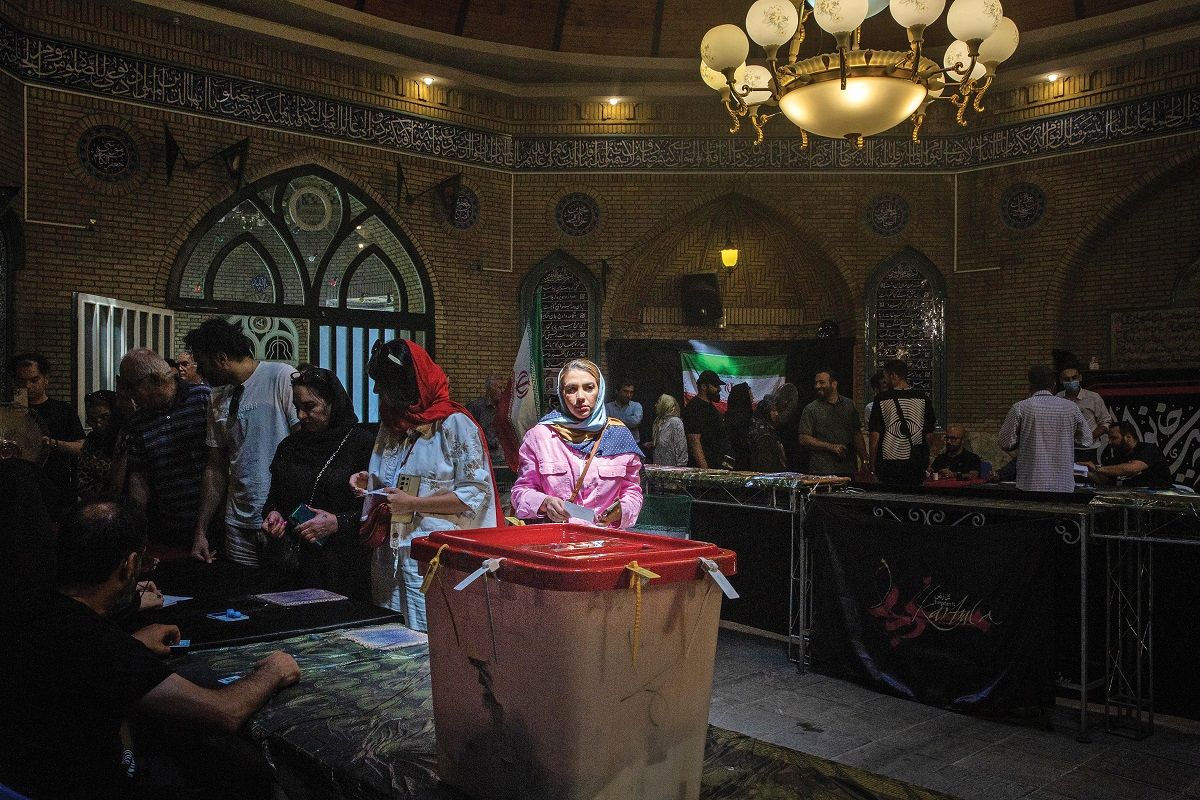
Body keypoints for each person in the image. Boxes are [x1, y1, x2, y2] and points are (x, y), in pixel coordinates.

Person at [0, 501, 300, 800]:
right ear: (129, 565)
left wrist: (134, 644)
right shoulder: (100, 644)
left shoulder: (30, 610)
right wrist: (272, 671)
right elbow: (225, 711)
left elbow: (77, 662)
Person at [352, 339, 498, 632]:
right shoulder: (392, 424)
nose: (377, 391)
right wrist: (370, 480)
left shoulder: (454, 425)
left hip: (434, 557)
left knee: (431, 636)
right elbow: (398, 475)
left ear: (408, 386)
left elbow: (474, 494)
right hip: (391, 553)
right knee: (391, 636)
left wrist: (414, 504)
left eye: (384, 384)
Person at [186, 319, 298, 567]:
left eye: (203, 364)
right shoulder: (217, 396)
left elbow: (305, 445)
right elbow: (215, 468)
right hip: (237, 521)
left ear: (221, 358)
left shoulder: (280, 376)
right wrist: (201, 530)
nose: (201, 373)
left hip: (280, 518)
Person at [261, 366, 375, 598]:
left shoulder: (362, 444)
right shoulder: (290, 446)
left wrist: (338, 522)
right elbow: (275, 498)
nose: (301, 416)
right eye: (297, 407)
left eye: (309, 407)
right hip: (294, 564)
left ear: (332, 403)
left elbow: (377, 509)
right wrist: (274, 515)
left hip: (343, 566)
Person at [512, 358, 643, 528]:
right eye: (571, 389)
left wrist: (621, 510)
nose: (580, 397)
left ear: (600, 390)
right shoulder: (540, 436)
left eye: (589, 388)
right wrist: (545, 502)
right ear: (562, 394)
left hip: (605, 540)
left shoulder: (619, 436)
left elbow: (632, 491)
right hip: (555, 539)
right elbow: (520, 492)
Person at [119, 348, 214, 554]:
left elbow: (219, 465)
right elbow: (139, 477)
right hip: (168, 528)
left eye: (132, 387)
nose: (130, 395)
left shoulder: (203, 399)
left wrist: (202, 530)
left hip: (213, 527)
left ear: (154, 380)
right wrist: (138, 530)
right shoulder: (138, 421)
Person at [998, 365, 1092, 492]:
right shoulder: (1071, 407)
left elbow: (1005, 442)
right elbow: (1087, 440)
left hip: (1031, 483)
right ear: (1053, 385)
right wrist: (1066, 439)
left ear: (1030, 385)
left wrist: (1022, 440)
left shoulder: (1020, 407)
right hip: (1063, 483)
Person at [8, 352, 85, 504]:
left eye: (34, 380)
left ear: (45, 379)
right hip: (17, 488)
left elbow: (82, 447)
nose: (28, 386)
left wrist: (54, 443)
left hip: (55, 487)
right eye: (22, 381)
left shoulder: (63, 410)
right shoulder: (8, 413)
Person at [869, 359, 937, 486]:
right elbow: (929, 435)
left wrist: (872, 465)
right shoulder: (923, 399)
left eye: (886, 377)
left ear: (893, 376)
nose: (885, 381)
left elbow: (875, 435)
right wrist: (926, 458)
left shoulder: (881, 399)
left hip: (888, 464)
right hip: (915, 463)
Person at [798, 369, 867, 478]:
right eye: (816, 383)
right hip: (822, 470)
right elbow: (803, 439)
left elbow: (857, 434)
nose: (817, 386)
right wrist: (831, 447)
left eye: (821, 382)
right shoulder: (811, 409)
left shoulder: (849, 405)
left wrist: (864, 460)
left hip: (848, 468)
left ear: (834, 384)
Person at [1082, 421, 1173, 488]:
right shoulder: (1118, 457)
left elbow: (1132, 468)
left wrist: (1097, 468)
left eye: (1114, 438)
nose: (1110, 442)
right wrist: (1085, 471)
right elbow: (1104, 480)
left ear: (1128, 437)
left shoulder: (1148, 449)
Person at [78, 390, 125, 503]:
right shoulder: (92, 441)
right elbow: (83, 481)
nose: (98, 424)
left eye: (104, 417)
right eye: (92, 419)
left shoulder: (127, 439)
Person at [1057, 362, 1112, 459]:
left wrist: (1089, 437)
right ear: (1061, 380)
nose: (1071, 381)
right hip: (1065, 449)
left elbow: (1105, 421)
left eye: (1074, 378)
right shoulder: (1058, 398)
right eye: (1067, 379)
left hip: (1089, 449)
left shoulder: (1093, 397)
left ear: (1080, 378)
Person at [682, 369, 730, 470]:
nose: (719, 389)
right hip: (704, 469)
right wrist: (706, 471)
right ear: (703, 387)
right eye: (715, 386)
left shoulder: (711, 408)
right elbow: (694, 441)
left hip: (716, 466)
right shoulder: (694, 408)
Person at [466, 373, 506, 466]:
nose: (502, 391)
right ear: (490, 389)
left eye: (503, 388)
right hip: (484, 459)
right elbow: (468, 432)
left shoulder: (505, 408)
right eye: (499, 388)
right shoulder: (476, 407)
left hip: (503, 458)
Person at [748, 394, 787, 472]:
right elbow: (765, 465)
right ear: (766, 411)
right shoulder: (764, 435)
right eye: (773, 411)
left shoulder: (769, 429)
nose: (776, 414)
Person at [651, 393, 688, 466]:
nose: (655, 405)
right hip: (658, 467)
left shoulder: (675, 422)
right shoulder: (658, 421)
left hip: (673, 468)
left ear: (665, 405)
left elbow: (681, 446)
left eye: (658, 402)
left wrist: (681, 467)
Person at [724, 382, 754, 470]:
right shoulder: (741, 421)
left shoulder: (729, 418)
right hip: (737, 466)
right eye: (750, 395)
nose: (753, 398)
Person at [605, 378, 644, 443]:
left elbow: (635, 422)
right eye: (625, 391)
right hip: (613, 443)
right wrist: (628, 420)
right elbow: (605, 425)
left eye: (631, 392)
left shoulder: (636, 406)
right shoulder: (608, 407)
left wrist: (614, 420)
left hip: (632, 444)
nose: (629, 395)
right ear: (617, 391)